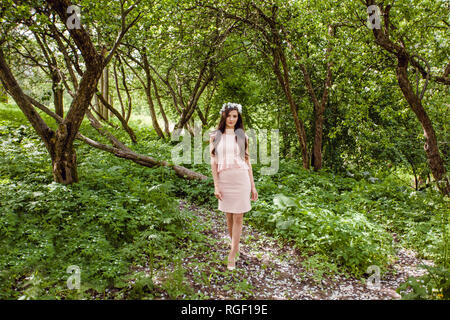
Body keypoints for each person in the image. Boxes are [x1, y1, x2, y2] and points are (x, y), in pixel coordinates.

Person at [209, 102, 258, 270]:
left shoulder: (242, 136)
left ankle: (232, 254)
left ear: (238, 118)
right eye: (229, 116)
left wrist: (253, 186)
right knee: (229, 217)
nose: (231, 119)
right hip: (224, 180)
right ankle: (235, 247)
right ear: (224, 115)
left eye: (235, 116)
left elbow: (247, 161)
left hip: (241, 179)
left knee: (238, 217)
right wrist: (216, 185)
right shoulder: (215, 136)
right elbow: (213, 161)